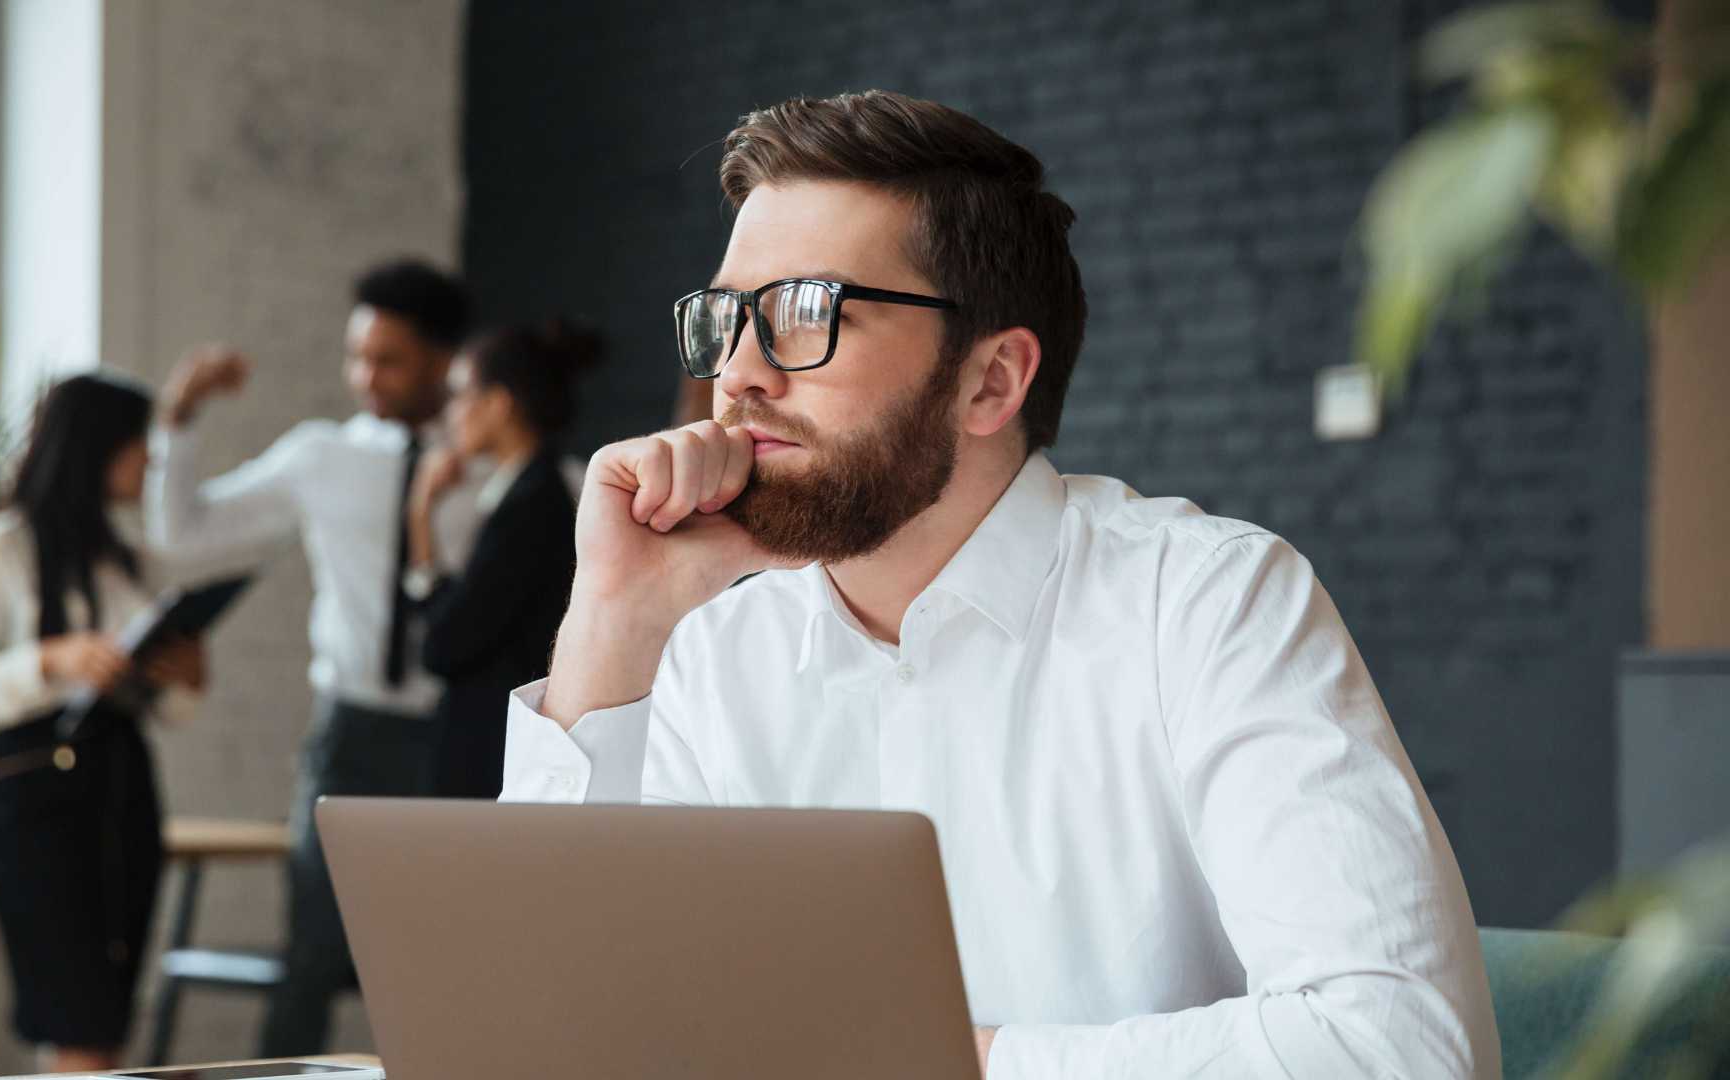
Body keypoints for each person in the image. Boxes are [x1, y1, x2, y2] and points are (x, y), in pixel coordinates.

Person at [499, 91, 1500, 1078]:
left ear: (991, 382)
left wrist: (939, 1065)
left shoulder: (1203, 605)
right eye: (727, 317)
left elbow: (1400, 1049)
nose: (741, 375)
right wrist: (614, 619)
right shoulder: (717, 651)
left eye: (806, 313)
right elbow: (534, 1032)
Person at [143, 257, 486, 1056]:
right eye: (356, 356)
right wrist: (178, 420)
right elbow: (183, 534)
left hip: (459, 740)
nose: (364, 376)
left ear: (442, 359)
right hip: (351, 737)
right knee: (312, 955)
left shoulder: (496, 462)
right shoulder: (318, 457)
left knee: (452, 963)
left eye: (387, 359)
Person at [0, 373, 207, 1074]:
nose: (147, 460)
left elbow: (167, 712)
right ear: (96, 448)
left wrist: (184, 677)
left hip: (120, 794)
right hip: (33, 798)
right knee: (77, 1019)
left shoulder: (128, 561)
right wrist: (51, 661)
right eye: (136, 445)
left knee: (107, 1022)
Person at [405, 321, 597, 799]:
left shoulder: (531, 504)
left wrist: (420, 515)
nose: (450, 413)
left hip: (490, 753)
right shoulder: (528, 492)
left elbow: (445, 646)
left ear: (498, 403)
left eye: (459, 395)